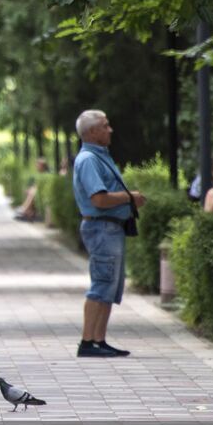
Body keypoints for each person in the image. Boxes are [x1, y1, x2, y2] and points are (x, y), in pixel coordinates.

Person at [71, 109, 145, 358]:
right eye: (105, 125)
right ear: (92, 131)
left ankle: (98, 340)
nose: (110, 129)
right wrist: (129, 197)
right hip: (101, 226)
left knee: (109, 285)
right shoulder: (89, 159)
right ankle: (88, 341)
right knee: (102, 284)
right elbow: (99, 199)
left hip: (109, 227)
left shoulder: (99, 156)